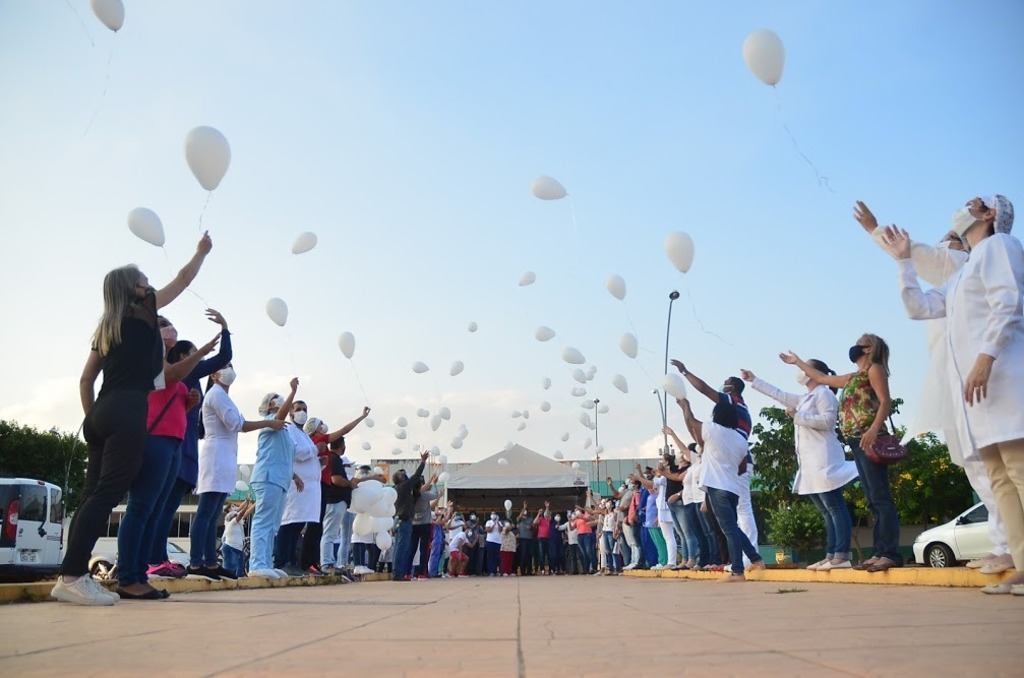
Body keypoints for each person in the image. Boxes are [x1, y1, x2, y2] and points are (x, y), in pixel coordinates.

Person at [54, 234, 214, 606]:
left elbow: (85, 379)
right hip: (128, 410)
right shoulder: (142, 314)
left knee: (91, 496)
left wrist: (94, 419)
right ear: (135, 290)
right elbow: (184, 279)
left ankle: (69, 573)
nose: (150, 284)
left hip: (100, 410)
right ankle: (73, 576)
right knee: (107, 495)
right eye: (144, 280)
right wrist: (200, 253)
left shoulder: (106, 327)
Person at [879, 195, 1024, 594]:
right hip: (977, 396)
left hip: (1003, 379)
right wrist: (903, 261)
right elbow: (918, 307)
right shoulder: (961, 275)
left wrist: (985, 359)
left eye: (976, 202)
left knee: (1019, 472)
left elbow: (1008, 302)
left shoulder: (1000, 246)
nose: (964, 206)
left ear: (991, 215)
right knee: (999, 479)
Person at [782, 333, 901, 572]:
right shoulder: (853, 377)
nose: (854, 347)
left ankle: (889, 553)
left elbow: (885, 401)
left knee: (880, 498)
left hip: (871, 438)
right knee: (872, 500)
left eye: (860, 344)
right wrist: (798, 362)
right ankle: (879, 552)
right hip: (857, 441)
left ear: (869, 349)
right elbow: (823, 377)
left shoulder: (874, 369)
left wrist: (873, 429)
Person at [741, 362, 859, 569]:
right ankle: (832, 554)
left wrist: (798, 416)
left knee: (834, 507)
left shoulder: (825, 394)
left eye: (805, 368)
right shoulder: (806, 398)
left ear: (817, 373)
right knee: (825, 510)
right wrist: (754, 380)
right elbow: (779, 394)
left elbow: (828, 422)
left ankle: (842, 554)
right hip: (810, 463)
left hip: (825, 459)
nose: (800, 372)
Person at [147, 309, 232, 580]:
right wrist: (220, 335)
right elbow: (221, 357)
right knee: (159, 507)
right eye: (195, 352)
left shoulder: (192, 381)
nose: (201, 358)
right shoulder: (177, 373)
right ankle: (154, 558)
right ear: (184, 356)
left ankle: (159, 557)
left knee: (168, 507)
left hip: (188, 450)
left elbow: (223, 358)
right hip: (172, 445)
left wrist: (226, 329)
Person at [189, 363, 285, 581]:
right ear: (213, 374)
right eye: (224, 366)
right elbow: (236, 423)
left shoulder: (225, 396)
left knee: (214, 513)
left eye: (230, 366)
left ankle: (211, 563)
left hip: (225, 456)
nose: (229, 370)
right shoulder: (215, 394)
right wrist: (269, 422)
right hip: (215, 455)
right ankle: (196, 562)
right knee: (206, 511)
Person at [671, 359, 758, 562]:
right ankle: (750, 558)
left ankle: (746, 560)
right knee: (733, 520)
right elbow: (697, 434)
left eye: (725, 383)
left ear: (732, 387)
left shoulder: (733, 402)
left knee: (740, 513)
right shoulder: (735, 419)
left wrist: (685, 372)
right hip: (733, 462)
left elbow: (704, 390)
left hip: (729, 464)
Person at [678, 397, 765, 582]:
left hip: (717, 487)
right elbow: (742, 467)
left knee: (729, 530)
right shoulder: (741, 439)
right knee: (732, 526)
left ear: (716, 415)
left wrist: (685, 406)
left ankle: (738, 572)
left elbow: (691, 423)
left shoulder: (713, 429)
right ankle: (756, 559)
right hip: (733, 488)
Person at [247, 379, 301, 579]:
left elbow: (282, 456)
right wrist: (293, 392)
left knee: (273, 525)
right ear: (270, 405)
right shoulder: (271, 422)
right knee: (263, 521)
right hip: (267, 478)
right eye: (276, 399)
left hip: (280, 480)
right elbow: (281, 415)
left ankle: (266, 563)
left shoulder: (285, 431)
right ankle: (257, 564)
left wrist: (295, 476)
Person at [306, 407, 371, 573]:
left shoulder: (323, 448)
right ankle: (326, 563)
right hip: (329, 495)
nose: (323, 426)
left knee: (323, 530)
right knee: (328, 532)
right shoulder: (317, 442)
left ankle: (321, 562)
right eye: (320, 424)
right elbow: (344, 430)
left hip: (326, 492)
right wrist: (361, 417)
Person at [275, 401, 321, 576]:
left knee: (298, 526)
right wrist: (315, 449)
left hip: (307, 488)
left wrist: (319, 464)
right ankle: (282, 561)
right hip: (296, 484)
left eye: (305, 410)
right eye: (298, 409)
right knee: (289, 523)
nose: (302, 412)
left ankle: (292, 562)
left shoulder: (303, 434)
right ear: (291, 414)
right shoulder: (289, 430)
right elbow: (296, 452)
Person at [391, 452, 429, 581]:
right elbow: (416, 476)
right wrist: (423, 461)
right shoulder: (403, 487)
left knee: (398, 547)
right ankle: (397, 574)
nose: (405, 475)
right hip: (404, 520)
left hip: (398, 520)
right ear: (401, 479)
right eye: (403, 475)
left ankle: (397, 572)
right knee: (402, 548)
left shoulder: (396, 488)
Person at [635, 462, 677, 570]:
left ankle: (671, 562)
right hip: (661, 512)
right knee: (667, 538)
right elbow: (650, 484)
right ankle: (668, 561)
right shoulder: (662, 478)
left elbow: (650, 484)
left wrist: (639, 477)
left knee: (669, 537)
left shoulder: (664, 478)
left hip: (665, 511)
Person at [409, 474, 439, 579]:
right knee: (424, 550)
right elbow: (436, 494)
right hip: (425, 524)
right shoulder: (424, 495)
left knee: (412, 549)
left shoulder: (410, 495)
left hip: (413, 524)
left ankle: (408, 572)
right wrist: (434, 483)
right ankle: (422, 572)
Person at [222, 499, 253, 578]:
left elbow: (246, 512)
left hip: (238, 549)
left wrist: (247, 501)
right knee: (230, 570)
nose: (235, 508)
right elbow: (242, 513)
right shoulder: (231, 521)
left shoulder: (238, 523)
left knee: (239, 571)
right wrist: (247, 505)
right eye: (233, 506)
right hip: (231, 547)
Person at [533, 502, 553, 575]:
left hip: (548, 539)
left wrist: (547, 507)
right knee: (542, 555)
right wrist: (538, 513)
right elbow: (534, 522)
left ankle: (551, 569)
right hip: (541, 539)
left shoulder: (549, 519)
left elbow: (547, 515)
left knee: (549, 555)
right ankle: (542, 569)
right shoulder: (541, 519)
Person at [516, 502, 535, 576]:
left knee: (529, 555)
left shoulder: (530, 519)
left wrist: (531, 528)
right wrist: (524, 507)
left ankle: (529, 571)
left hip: (529, 539)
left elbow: (534, 528)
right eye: (524, 510)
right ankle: (523, 571)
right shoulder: (519, 519)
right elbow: (519, 517)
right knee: (523, 555)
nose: (525, 511)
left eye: (526, 510)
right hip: (522, 539)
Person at [484, 510, 503, 576]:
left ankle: (495, 571)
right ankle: (491, 571)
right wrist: (494, 524)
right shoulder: (489, 522)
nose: (493, 515)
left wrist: (497, 523)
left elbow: (500, 530)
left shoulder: (499, 522)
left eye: (494, 514)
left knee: (496, 557)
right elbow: (488, 530)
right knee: (490, 556)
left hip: (498, 541)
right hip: (490, 541)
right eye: (492, 514)